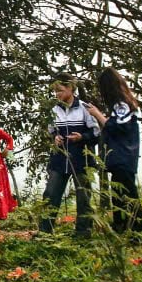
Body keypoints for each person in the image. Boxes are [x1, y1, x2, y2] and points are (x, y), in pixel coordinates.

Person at [86, 68, 142, 236]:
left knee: (127, 194)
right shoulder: (120, 105)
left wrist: (98, 114)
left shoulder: (121, 105)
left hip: (123, 157)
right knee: (118, 195)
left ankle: (136, 229)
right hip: (122, 157)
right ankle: (122, 228)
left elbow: (118, 128)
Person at [39, 79, 100, 238]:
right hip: (59, 159)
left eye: (60, 90)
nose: (57, 94)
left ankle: (83, 232)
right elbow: (50, 130)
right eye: (55, 91)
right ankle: (45, 232)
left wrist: (82, 137)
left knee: (83, 196)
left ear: (71, 88)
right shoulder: (54, 110)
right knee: (50, 194)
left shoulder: (85, 108)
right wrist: (55, 138)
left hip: (81, 158)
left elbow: (96, 133)